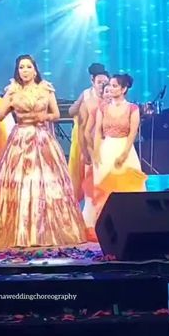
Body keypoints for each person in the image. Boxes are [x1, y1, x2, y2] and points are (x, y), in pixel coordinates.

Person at [0, 54, 87, 248]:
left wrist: (45, 117)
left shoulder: (46, 89)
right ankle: (20, 231)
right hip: (20, 140)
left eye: (28, 67)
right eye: (21, 67)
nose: (24, 71)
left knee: (46, 183)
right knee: (20, 183)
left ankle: (47, 230)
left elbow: (56, 114)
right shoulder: (13, 91)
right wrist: (4, 103)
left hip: (42, 138)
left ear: (35, 70)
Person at [90, 74, 147, 219]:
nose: (110, 88)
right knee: (105, 187)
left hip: (124, 149)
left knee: (127, 188)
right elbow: (98, 132)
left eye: (114, 86)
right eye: (110, 85)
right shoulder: (103, 108)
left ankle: (131, 219)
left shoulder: (132, 108)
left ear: (124, 89)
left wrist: (124, 154)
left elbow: (133, 133)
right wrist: (96, 152)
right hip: (106, 149)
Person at [68, 63, 109, 240]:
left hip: (103, 142)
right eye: (99, 82)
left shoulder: (109, 97)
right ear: (92, 80)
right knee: (85, 176)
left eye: (105, 82)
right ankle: (86, 217)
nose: (102, 85)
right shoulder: (86, 95)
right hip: (85, 138)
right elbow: (72, 112)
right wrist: (80, 110)